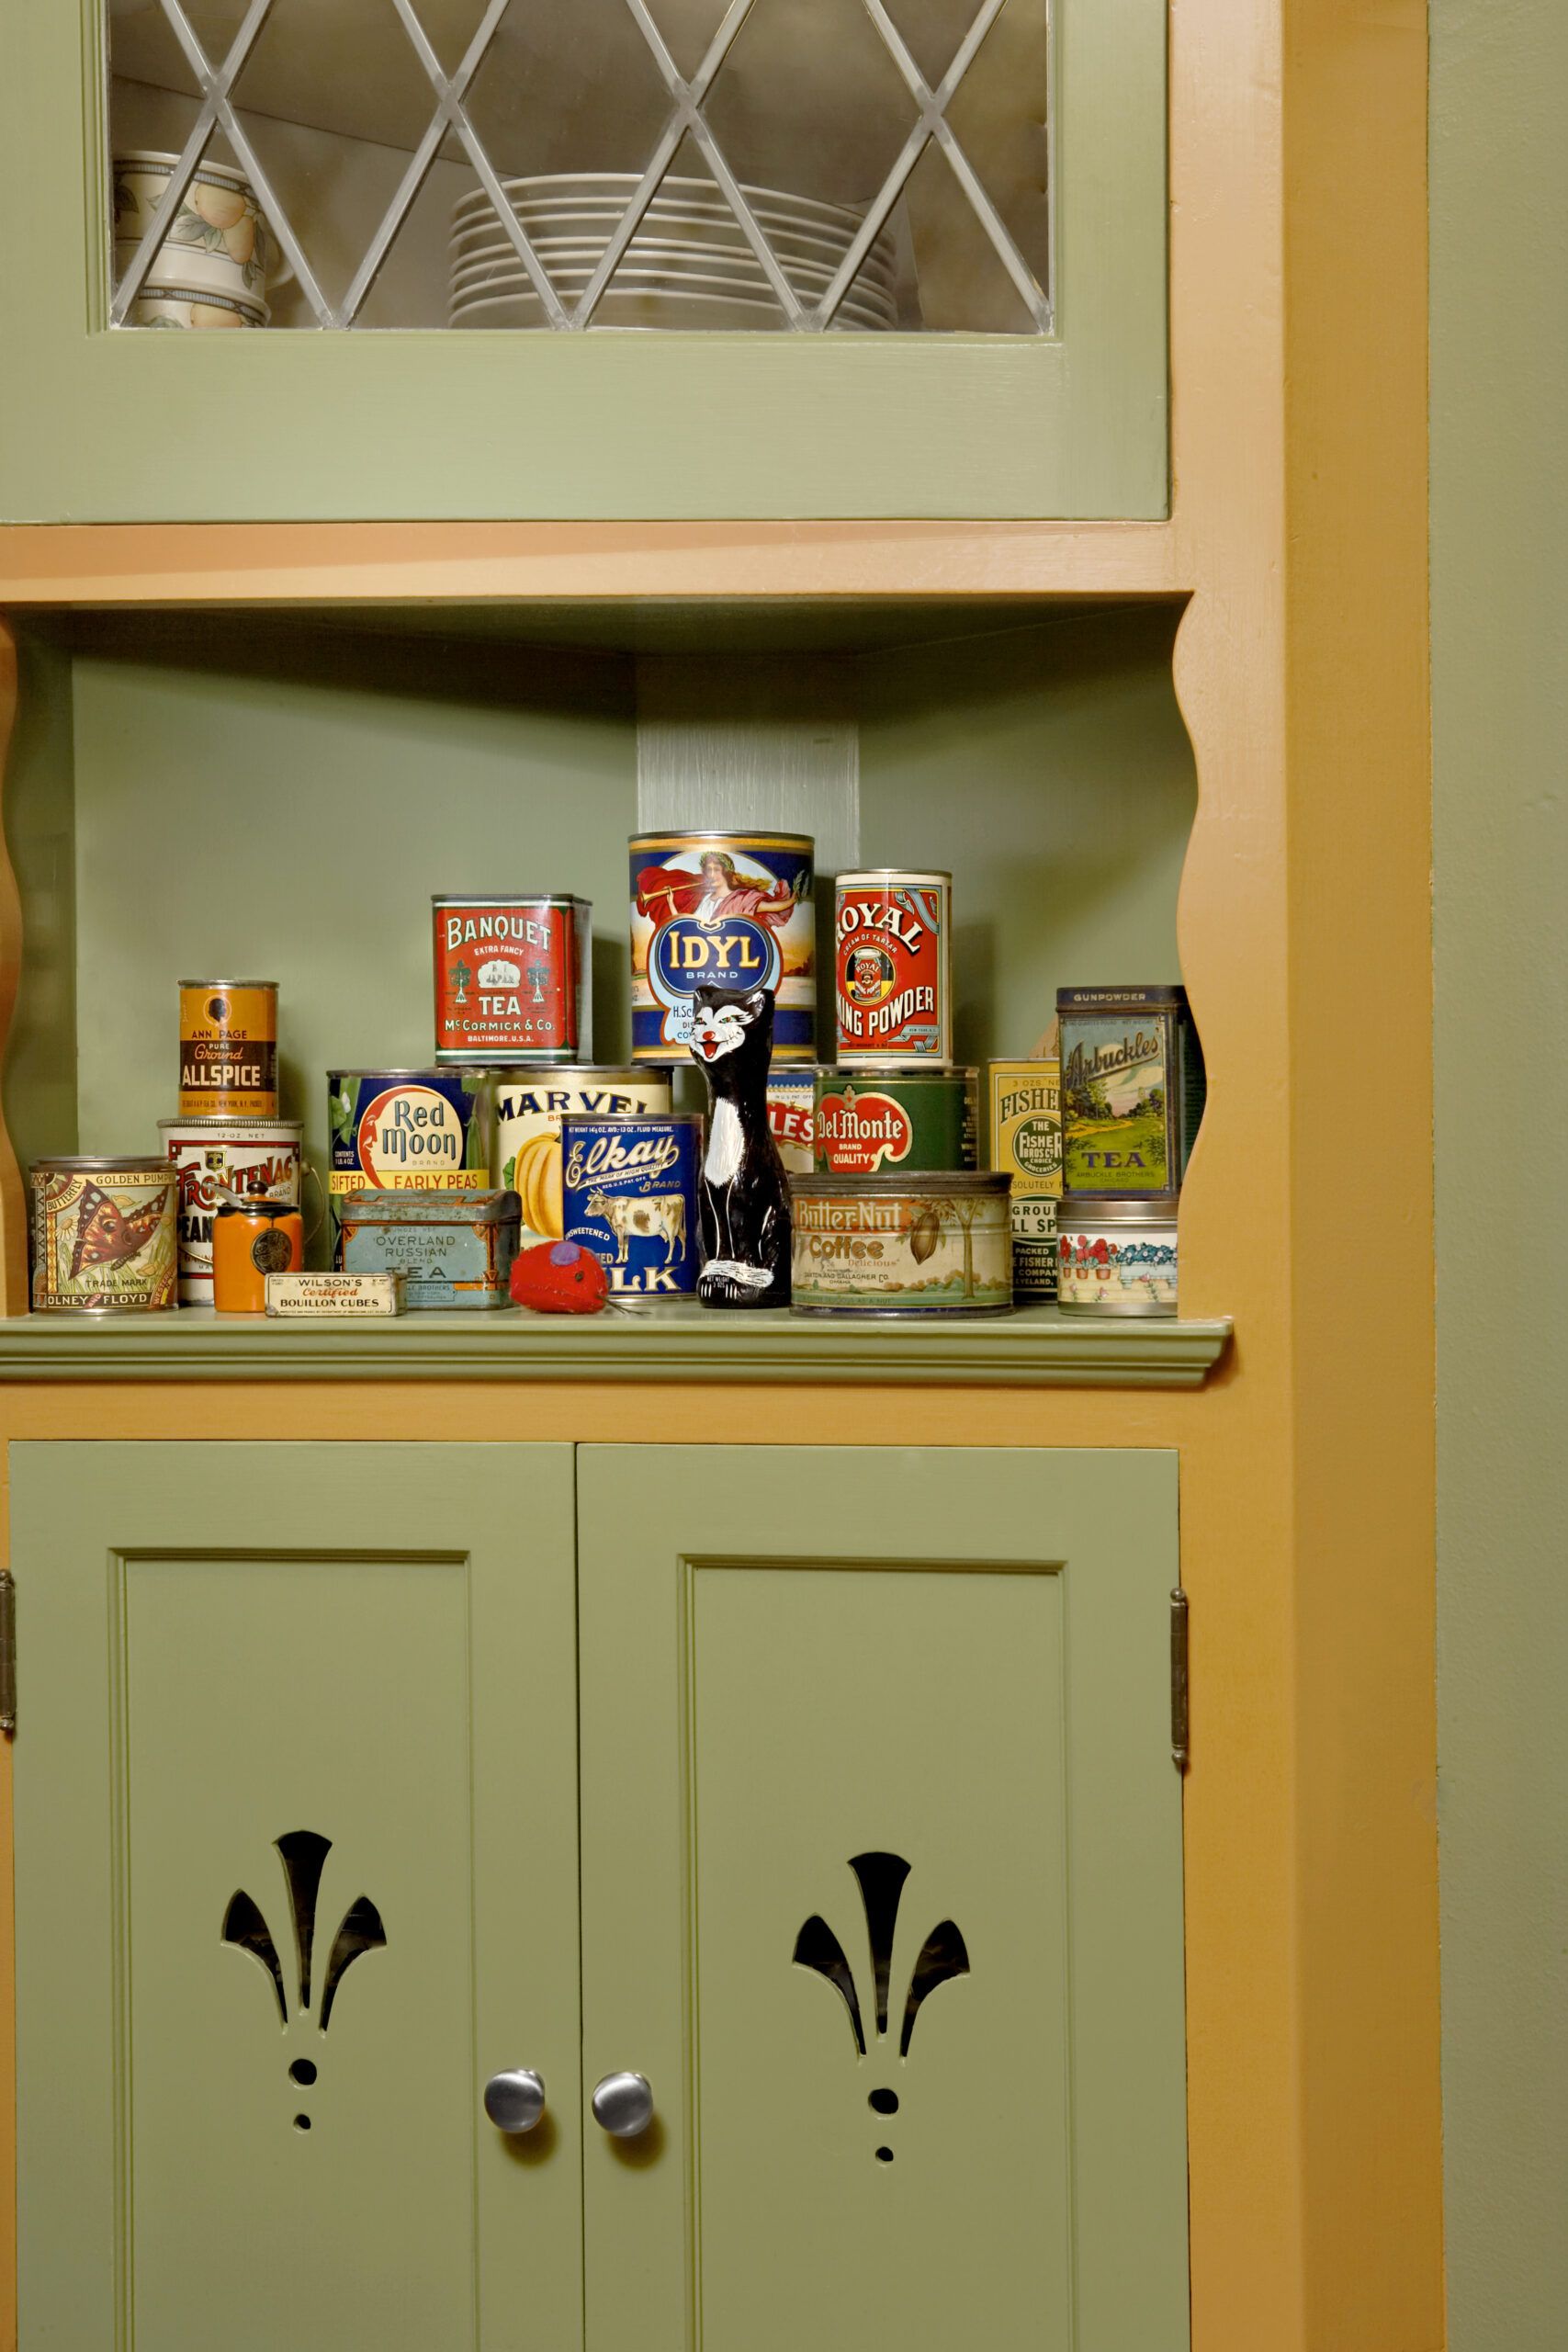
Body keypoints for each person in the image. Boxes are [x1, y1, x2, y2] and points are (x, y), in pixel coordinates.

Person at [636, 850, 801, 931]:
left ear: (726, 872)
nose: (712, 874)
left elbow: (771, 907)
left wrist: (791, 901)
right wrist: (671, 902)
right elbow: (686, 925)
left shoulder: (741, 899)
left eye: (716, 869)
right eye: (708, 870)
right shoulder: (704, 899)